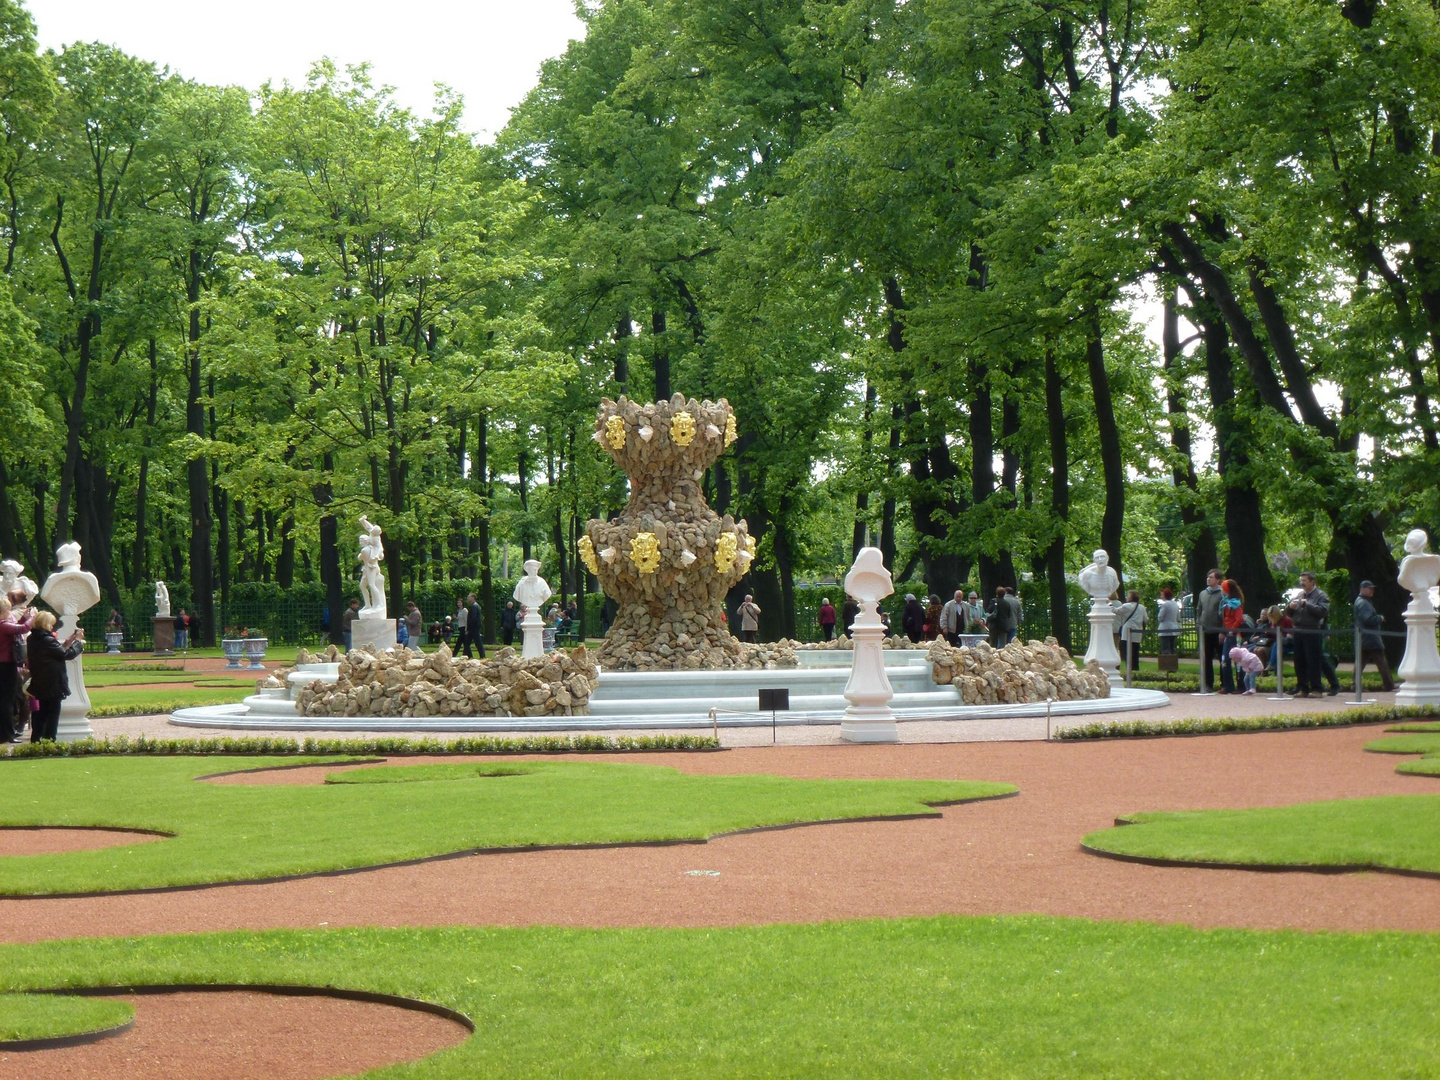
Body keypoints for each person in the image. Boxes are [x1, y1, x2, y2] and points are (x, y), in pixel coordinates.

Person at [25, 610, 83, 743]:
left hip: (40, 680)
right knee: (53, 713)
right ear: (46, 624)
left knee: (42, 712)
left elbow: (53, 653)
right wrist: (78, 642)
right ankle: (50, 739)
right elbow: (66, 655)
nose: (52, 627)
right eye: (51, 624)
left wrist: (66, 644)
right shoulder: (47, 639)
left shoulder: (32, 638)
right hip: (53, 681)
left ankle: (36, 739)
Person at [1287, 572, 1332, 697]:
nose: (1302, 583)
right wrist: (1290, 606)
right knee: (1299, 661)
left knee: (1313, 661)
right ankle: (1303, 688)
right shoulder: (1299, 594)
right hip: (1298, 631)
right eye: (1301, 580)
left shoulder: (1321, 595)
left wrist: (1307, 604)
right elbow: (1288, 613)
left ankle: (1317, 689)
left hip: (1312, 631)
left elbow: (1322, 611)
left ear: (1312, 581)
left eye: (1304, 580)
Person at [0, 597, 34, 743]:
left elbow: (16, 629)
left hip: (6, 665)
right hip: (5, 665)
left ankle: (7, 732)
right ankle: (6, 734)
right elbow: (23, 629)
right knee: (7, 701)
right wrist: (32, 617)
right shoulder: (2, 624)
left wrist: (23, 619)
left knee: (8, 700)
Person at [1352, 579, 1396, 692]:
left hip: (1364, 637)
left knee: (1361, 662)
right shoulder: (1363, 603)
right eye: (1369, 588)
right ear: (1362, 589)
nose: (1372, 590)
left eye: (1372, 588)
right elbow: (1368, 620)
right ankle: (1389, 684)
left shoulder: (1361, 601)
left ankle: (1355, 685)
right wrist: (1380, 618)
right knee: (1381, 661)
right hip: (1370, 637)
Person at [1196, 569, 1225, 692]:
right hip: (1205, 631)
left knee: (1222, 658)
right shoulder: (1203, 593)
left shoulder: (1222, 594)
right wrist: (1198, 623)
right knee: (1206, 659)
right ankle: (1208, 684)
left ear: (1218, 580)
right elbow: (1199, 610)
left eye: (1211, 577)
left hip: (1218, 631)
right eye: (1208, 577)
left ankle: (1225, 683)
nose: (1208, 579)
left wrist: (1223, 631)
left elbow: (1225, 614)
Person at [1218, 579, 1246, 694]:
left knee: (1238, 662)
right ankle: (1228, 685)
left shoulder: (1235, 603)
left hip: (1234, 635)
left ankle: (1241, 686)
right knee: (1225, 659)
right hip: (1228, 634)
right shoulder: (1226, 602)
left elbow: (1239, 618)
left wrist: (1232, 629)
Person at [1114, 589, 1147, 673]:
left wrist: (1109, 604)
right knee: (1135, 651)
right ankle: (1135, 668)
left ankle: (1129, 668)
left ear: (1131, 598)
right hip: (1137, 631)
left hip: (1127, 631)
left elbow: (1116, 611)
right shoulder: (1142, 607)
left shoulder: (1126, 606)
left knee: (1127, 651)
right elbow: (1145, 619)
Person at [1156, 587, 1180, 656]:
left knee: (1165, 648)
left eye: (1162, 595)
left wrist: (1160, 619)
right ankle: (1173, 663)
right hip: (1174, 628)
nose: (1161, 597)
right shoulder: (1175, 604)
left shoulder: (1165, 604)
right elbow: (1178, 617)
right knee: (1172, 648)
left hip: (1165, 628)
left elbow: (1160, 617)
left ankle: (1166, 664)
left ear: (1165, 596)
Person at [466, 592, 485, 659]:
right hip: (474, 627)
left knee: (477, 642)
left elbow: (473, 617)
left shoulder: (474, 606)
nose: (468, 598)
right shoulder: (475, 605)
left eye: (469, 597)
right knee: (468, 642)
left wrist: (469, 627)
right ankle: (467, 655)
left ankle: (482, 655)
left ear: (473, 598)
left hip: (473, 627)